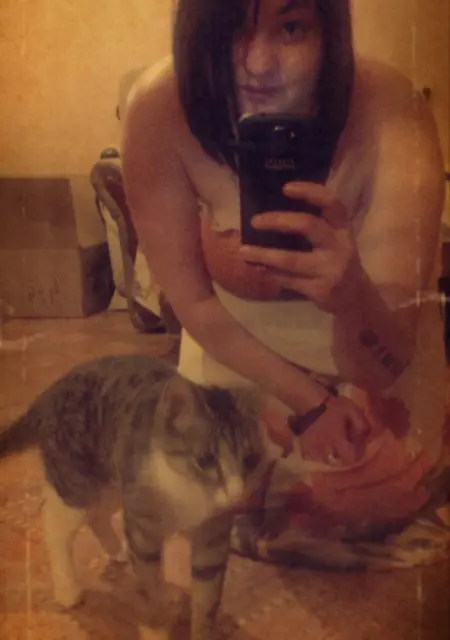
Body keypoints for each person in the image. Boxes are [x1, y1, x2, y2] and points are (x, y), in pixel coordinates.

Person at [121, 0, 449, 569]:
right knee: (219, 496)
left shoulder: (391, 109)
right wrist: (311, 402)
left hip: (379, 360)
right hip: (237, 357)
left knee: (381, 501)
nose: (258, 64)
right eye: (232, 31)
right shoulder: (158, 108)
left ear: (330, 29)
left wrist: (352, 297)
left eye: (291, 28)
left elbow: (388, 361)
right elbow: (193, 302)